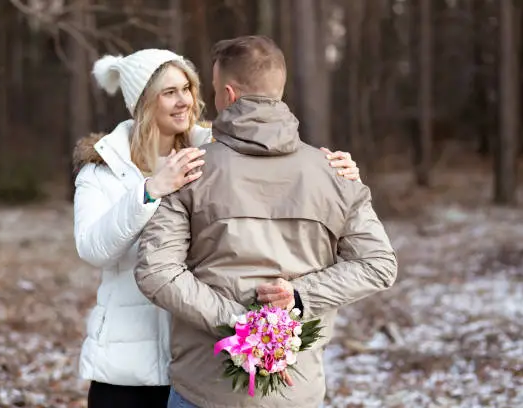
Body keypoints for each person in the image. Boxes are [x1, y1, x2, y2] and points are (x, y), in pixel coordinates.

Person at [72, 48, 361, 408]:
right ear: (142, 103)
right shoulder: (102, 169)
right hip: (131, 364)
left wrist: (338, 174)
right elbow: (92, 248)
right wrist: (149, 191)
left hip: (206, 358)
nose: (185, 102)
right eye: (169, 92)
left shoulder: (214, 152)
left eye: (188, 88)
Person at [135, 36, 398, 408]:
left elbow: (155, 271)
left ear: (227, 94)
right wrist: (300, 298)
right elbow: (379, 264)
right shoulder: (335, 173)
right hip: (296, 392)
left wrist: (238, 324)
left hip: (205, 391)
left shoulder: (190, 172)